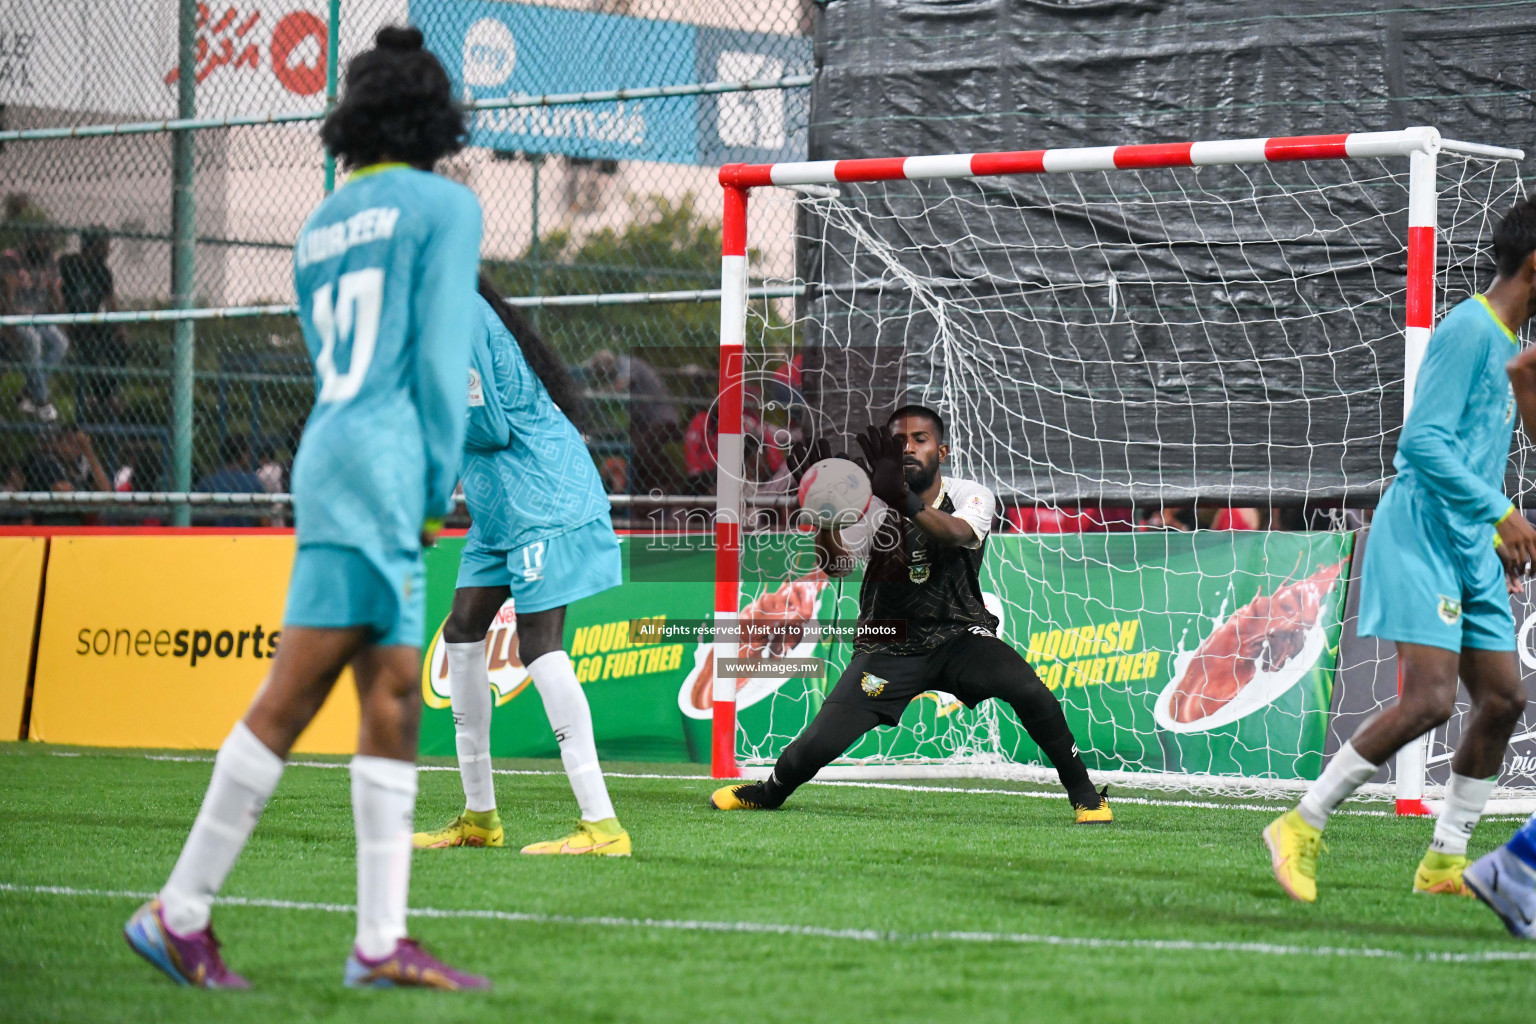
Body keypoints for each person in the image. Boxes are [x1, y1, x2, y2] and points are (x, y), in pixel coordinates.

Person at [122, 26, 489, 991]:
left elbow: (341, 363)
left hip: (327, 450)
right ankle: (181, 909)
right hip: (390, 460)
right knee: (300, 692)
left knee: (393, 693)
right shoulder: (444, 207)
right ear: (433, 117)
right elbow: (440, 363)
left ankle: (375, 942)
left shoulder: (320, 224)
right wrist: (426, 491)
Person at [1264, 197, 1536, 904]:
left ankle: (1445, 860)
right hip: (1420, 534)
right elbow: (1419, 443)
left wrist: (1492, 529)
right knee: (1431, 702)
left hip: (1469, 541)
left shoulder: (1513, 348)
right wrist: (1503, 512)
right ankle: (1300, 823)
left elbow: (1472, 451)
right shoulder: (1469, 332)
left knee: (1503, 698)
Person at [710, 406, 1112, 823]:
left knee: (1028, 688)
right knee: (818, 744)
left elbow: (958, 534)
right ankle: (770, 792)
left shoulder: (972, 494)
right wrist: (826, 517)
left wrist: (904, 499)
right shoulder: (869, 506)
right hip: (889, 644)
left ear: (942, 449)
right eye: (897, 441)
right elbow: (837, 566)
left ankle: (1086, 796)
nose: (908, 448)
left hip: (961, 636)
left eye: (919, 440)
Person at [413, 277, 628, 856]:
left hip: (541, 501)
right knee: (461, 632)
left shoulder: (454, 311)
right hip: (498, 509)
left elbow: (490, 426)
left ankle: (602, 828)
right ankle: (479, 817)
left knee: (537, 644)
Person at [59, 229, 127, 420]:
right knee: (90, 347)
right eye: (104, 246)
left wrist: (120, 327)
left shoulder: (103, 272)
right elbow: (56, 295)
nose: (108, 251)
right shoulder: (69, 264)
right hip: (70, 319)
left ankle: (104, 396)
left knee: (120, 345)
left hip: (92, 321)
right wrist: (63, 323)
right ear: (92, 246)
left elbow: (110, 303)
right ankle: (93, 395)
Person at [3, 230, 67, 422]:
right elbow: (6, 295)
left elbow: (57, 300)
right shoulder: (12, 258)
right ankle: (41, 399)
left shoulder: (50, 260)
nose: (44, 246)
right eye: (39, 241)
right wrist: (7, 323)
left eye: (47, 242)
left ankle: (29, 391)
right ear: (29, 242)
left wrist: (55, 290)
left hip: (37, 316)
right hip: (14, 316)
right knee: (33, 340)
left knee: (60, 343)